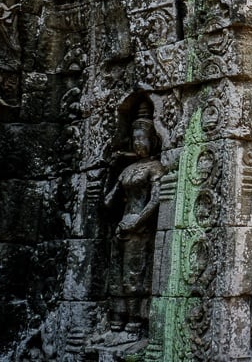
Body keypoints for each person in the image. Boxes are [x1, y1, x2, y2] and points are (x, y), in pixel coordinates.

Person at [104, 102, 164, 335]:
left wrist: (137, 221)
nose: (138, 143)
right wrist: (110, 169)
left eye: (143, 138)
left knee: (134, 275)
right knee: (116, 276)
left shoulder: (154, 167)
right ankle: (116, 320)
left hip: (139, 228)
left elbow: (156, 200)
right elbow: (108, 203)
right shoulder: (127, 169)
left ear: (153, 140)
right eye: (135, 138)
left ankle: (134, 322)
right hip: (122, 226)